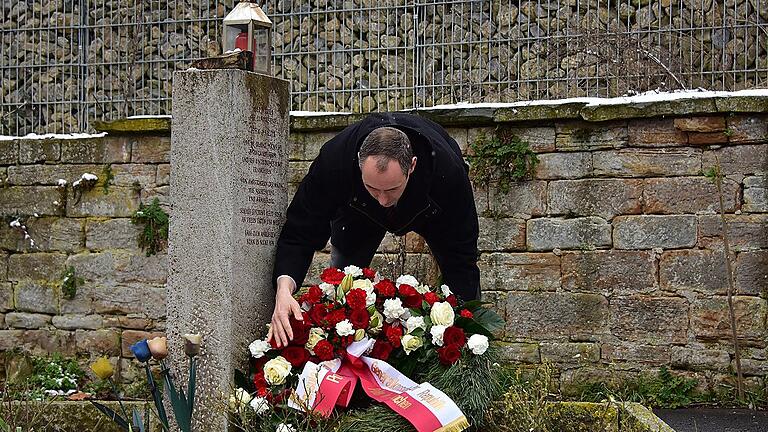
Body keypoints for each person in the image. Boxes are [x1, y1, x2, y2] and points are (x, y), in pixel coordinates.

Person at [268, 112, 480, 347]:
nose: (382, 200)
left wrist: (466, 333)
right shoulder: (334, 161)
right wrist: (284, 288)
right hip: (357, 213)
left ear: (412, 166)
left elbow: (462, 255)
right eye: (373, 187)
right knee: (344, 288)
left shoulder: (448, 172)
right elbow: (300, 232)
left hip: (430, 206)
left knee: (459, 293)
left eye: (391, 189)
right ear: (358, 162)